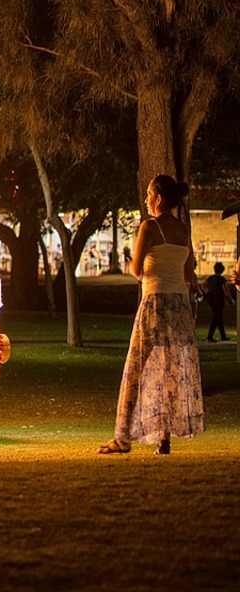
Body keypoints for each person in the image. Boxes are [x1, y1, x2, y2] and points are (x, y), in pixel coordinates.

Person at [99, 174, 203, 456]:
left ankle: (122, 438)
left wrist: (135, 262)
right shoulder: (183, 230)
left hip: (155, 303)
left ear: (158, 198)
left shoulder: (150, 226)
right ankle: (164, 440)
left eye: (148, 194)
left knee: (137, 368)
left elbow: (136, 271)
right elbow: (187, 271)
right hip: (179, 306)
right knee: (170, 369)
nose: (145, 199)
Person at [203, 262, 234, 342]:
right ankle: (210, 336)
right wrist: (230, 298)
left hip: (211, 299)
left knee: (218, 317)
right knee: (217, 317)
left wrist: (207, 292)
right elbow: (226, 289)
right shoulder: (221, 279)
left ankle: (222, 336)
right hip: (219, 299)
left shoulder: (210, 278)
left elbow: (203, 285)